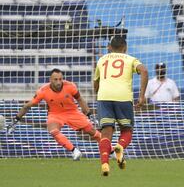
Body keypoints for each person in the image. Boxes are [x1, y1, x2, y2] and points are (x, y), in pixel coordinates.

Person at [6, 68, 101, 161]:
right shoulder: (43, 91)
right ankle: (75, 151)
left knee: (91, 131)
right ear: (50, 80)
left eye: (60, 79)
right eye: (56, 79)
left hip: (72, 112)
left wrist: (89, 114)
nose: (59, 82)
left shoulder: (70, 86)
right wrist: (15, 120)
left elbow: (80, 99)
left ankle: (111, 151)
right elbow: (27, 106)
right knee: (53, 130)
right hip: (55, 114)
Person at [94, 35, 148, 176]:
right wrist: (141, 96)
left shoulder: (101, 60)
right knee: (126, 129)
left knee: (106, 132)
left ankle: (105, 164)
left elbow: (96, 82)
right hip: (123, 97)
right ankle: (120, 146)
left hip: (104, 97)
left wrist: (99, 96)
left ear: (110, 47)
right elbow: (144, 71)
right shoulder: (130, 59)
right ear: (125, 47)